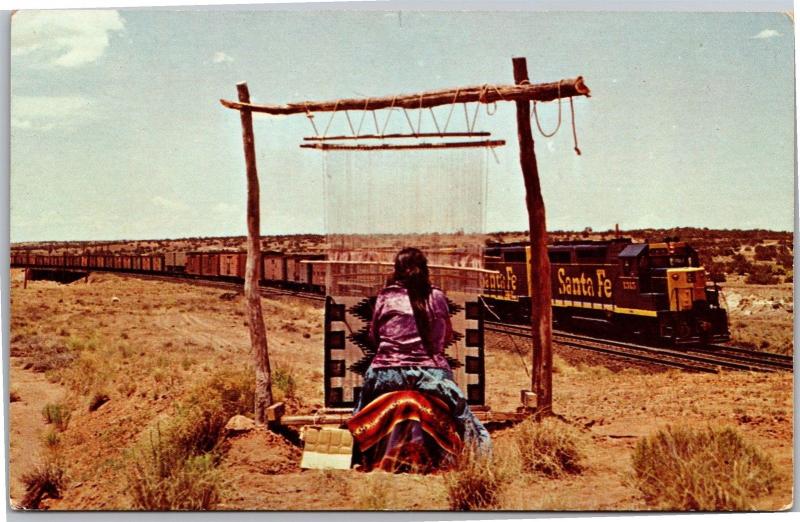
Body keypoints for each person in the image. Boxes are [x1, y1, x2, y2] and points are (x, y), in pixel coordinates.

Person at [347, 247, 491, 472]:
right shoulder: (437, 297)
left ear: (397, 271)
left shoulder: (385, 296)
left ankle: (355, 454)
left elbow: (374, 336)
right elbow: (447, 337)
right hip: (430, 375)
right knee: (466, 420)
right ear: (425, 270)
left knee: (358, 410)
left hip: (386, 374)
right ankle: (476, 459)